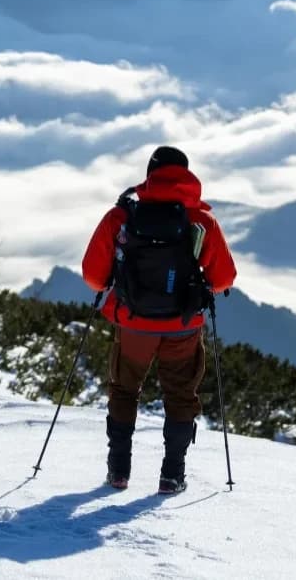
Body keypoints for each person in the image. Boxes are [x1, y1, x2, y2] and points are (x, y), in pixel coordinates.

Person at [81, 146, 236, 494]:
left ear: (150, 173)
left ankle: (118, 470)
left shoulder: (120, 218)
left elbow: (93, 276)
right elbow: (224, 278)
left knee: (124, 389)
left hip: (134, 323)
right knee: (180, 394)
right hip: (182, 325)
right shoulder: (201, 222)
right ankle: (172, 475)